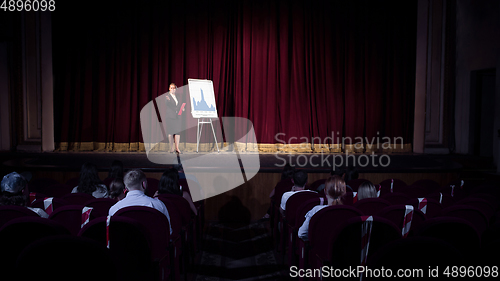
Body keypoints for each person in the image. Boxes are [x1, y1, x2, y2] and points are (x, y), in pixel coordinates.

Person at [108, 169, 172, 234]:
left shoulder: (114, 209)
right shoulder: (158, 205)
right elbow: (168, 232)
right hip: (154, 243)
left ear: (126, 187)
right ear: (144, 184)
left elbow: (114, 235)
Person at [298, 175, 346, 240]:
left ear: (325, 191)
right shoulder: (349, 212)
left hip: (319, 248)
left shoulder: (316, 210)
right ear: (343, 192)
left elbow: (301, 234)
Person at [165, 83, 185, 154]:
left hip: (177, 116)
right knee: (170, 132)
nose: (173, 89)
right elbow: (167, 103)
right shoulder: (168, 97)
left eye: (174, 88)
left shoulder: (177, 97)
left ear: (176, 89)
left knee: (177, 132)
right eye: (171, 88)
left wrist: (182, 109)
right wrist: (168, 100)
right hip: (170, 117)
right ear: (169, 89)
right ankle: (171, 148)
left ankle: (177, 148)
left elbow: (178, 106)